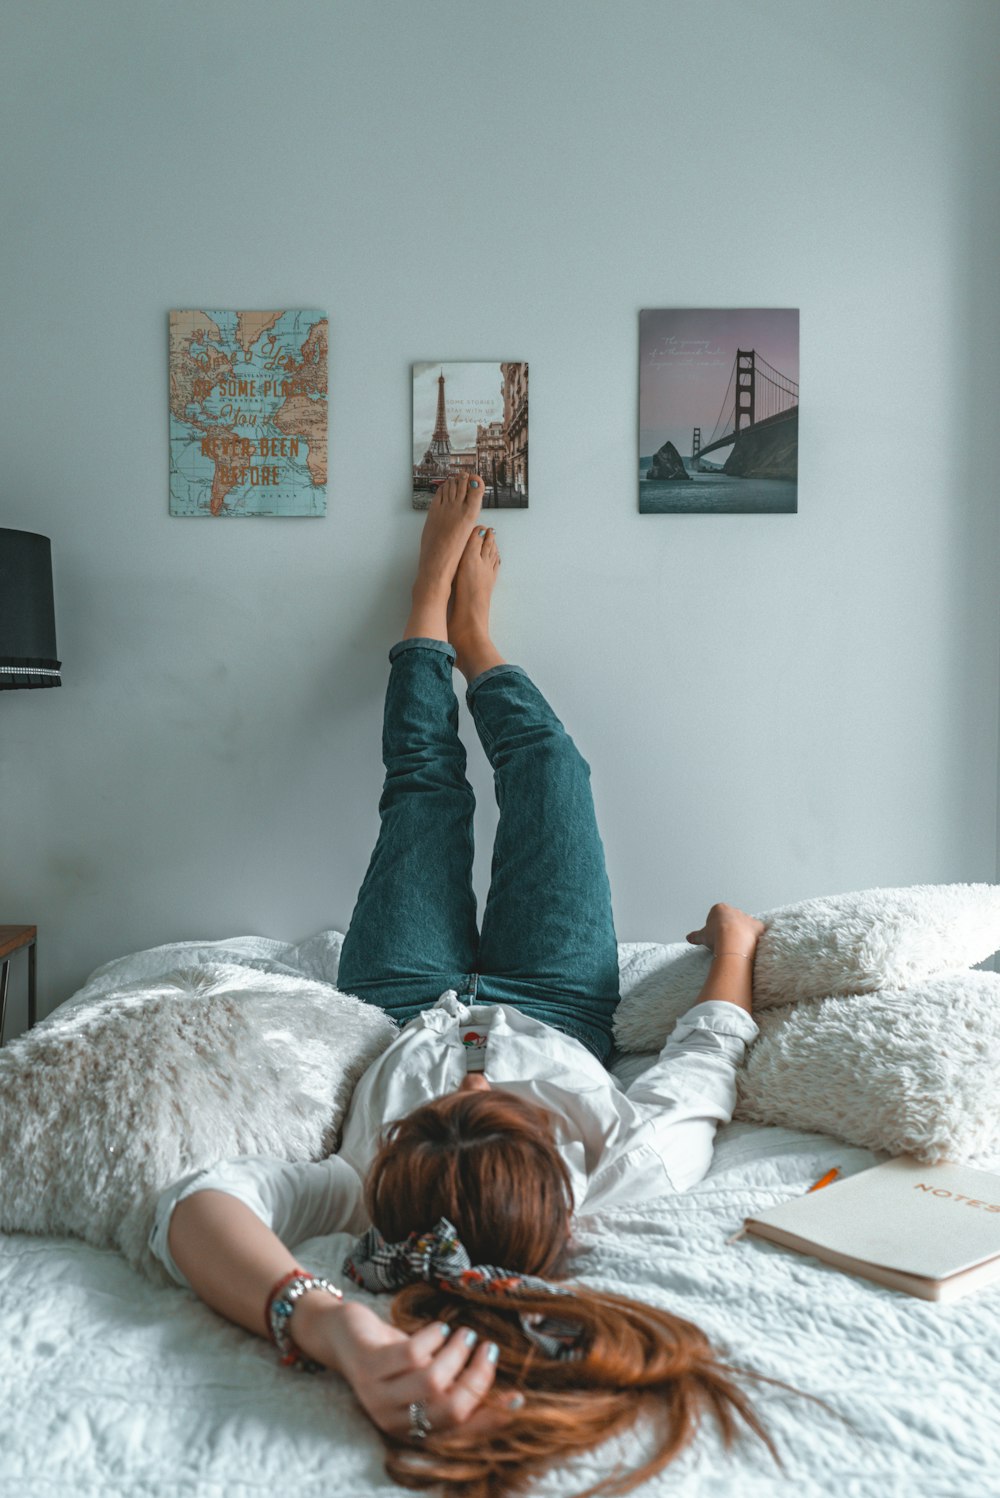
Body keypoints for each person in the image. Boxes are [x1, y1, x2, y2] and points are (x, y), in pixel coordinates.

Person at [151, 474, 833, 1496]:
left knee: (424, 785)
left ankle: (428, 615)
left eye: (431, 1115)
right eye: (496, 1111)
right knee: (554, 772)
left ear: (387, 1168)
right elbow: (702, 1063)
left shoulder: (362, 1200)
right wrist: (733, 944)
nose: (466, 1087)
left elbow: (191, 1204)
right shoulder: (619, 1180)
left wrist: (325, 1319)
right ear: (551, 1180)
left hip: (400, 993)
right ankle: (480, 644)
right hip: (557, 998)